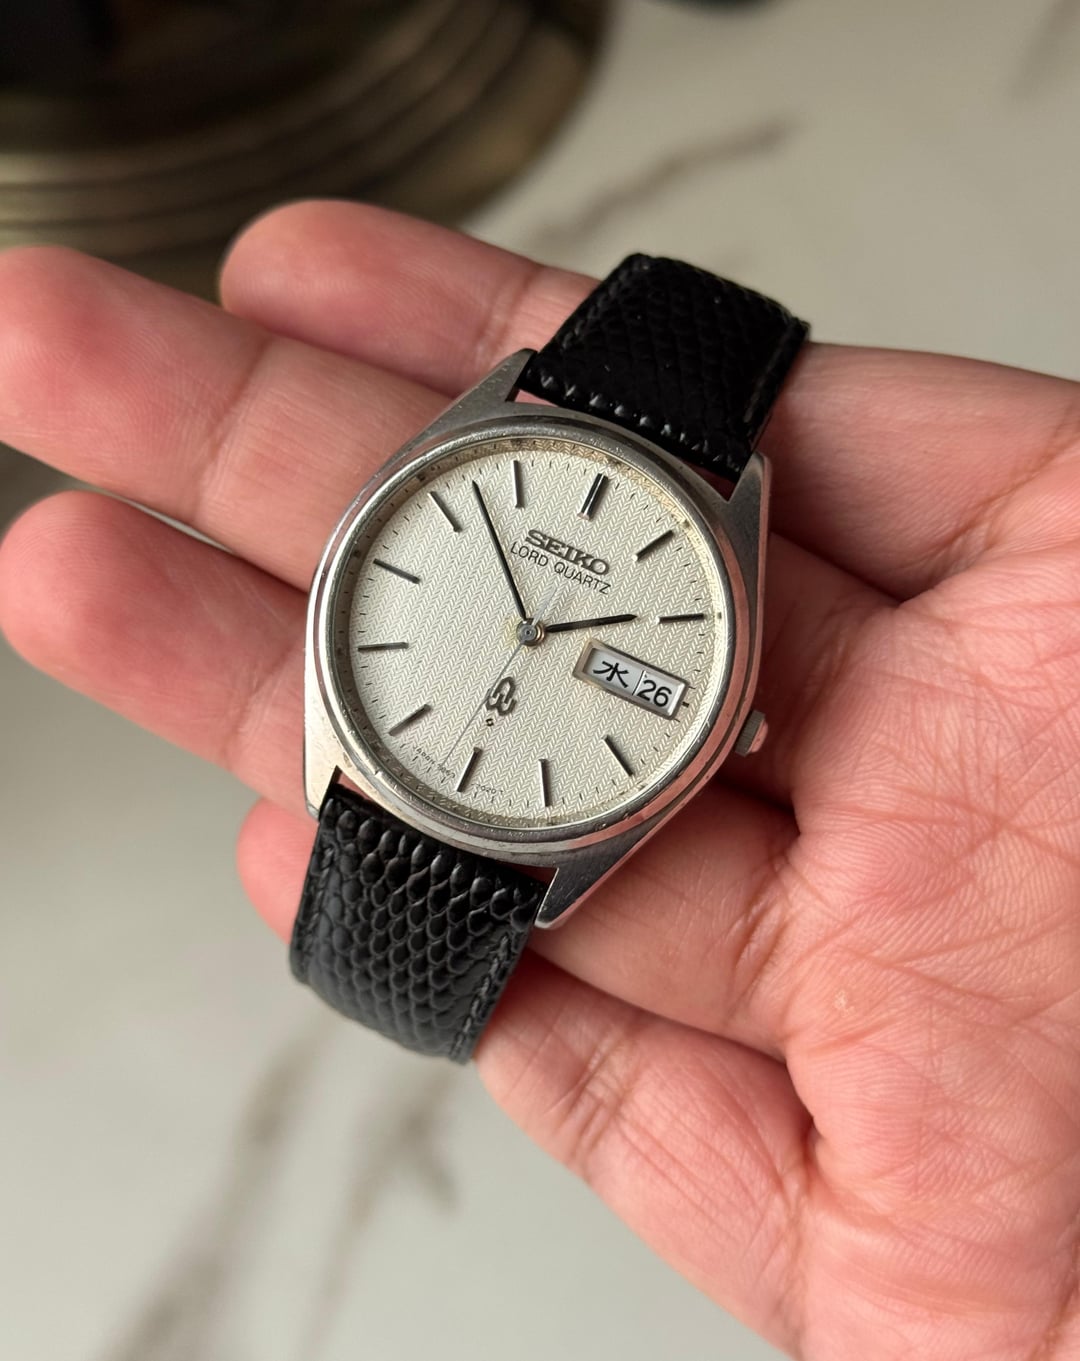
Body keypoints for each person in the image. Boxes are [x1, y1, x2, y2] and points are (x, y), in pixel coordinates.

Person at [1, 202, 1079, 1360]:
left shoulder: (702, 550)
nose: (533, 630)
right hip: (391, 757)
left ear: (734, 726)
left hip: (525, 811)